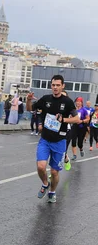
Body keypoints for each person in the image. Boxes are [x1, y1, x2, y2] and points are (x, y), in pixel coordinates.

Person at [29, 75, 80, 204]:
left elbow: (76, 119)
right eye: (53, 85)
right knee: (41, 167)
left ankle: (52, 192)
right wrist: (28, 100)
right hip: (45, 140)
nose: (55, 87)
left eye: (58, 85)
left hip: (59, 141)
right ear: (51, 86)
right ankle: (45, 184)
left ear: (62, 86)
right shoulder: (46, 99)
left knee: (54, 172)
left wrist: (64, 120)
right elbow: (30, 108)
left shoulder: (67, 101)